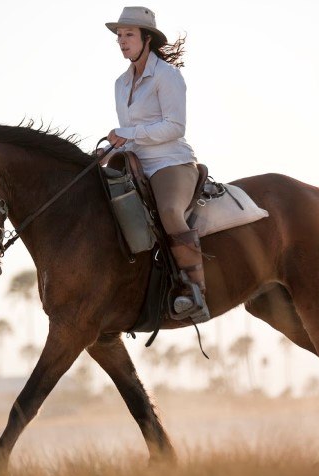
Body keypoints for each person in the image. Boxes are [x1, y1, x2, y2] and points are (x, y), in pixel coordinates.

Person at [101, 6, 209, 322]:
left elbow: (175, 126)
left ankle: (194, 291)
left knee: (169, 212)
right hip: (135, 163)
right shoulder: (120, 83)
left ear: (146, 38)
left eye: (129, 35)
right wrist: (109, 149)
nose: (122, 41)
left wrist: (128, 133)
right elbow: (129, 135)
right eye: (119, 36)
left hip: (170, 162)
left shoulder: (168, 76)